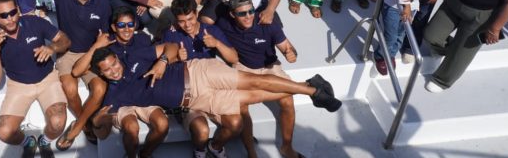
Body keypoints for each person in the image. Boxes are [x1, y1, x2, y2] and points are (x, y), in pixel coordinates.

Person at [88, 42, 342, 157]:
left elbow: (172, 47)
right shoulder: (114, 94)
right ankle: (311, 85)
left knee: (252, 81)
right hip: (196, 100)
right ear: (101, 72)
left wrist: (163, 62)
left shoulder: (134, 57)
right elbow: (100, 131)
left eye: (114, 64)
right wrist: (99, 117)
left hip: (198, 72)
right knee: (252, 97)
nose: (114, 70)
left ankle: (312, 92)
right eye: (107, 69)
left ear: (118, 60)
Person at [38, 0, 112, 148]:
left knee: (99, 88)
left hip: (92, 52)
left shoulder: (103, 3)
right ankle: (87, 124)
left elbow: (104, 37)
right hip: (68, 53)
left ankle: (78, 125)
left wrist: (95, 53)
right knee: (70, 89)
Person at [67, 7, 164, 157]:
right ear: (113, 27)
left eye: (130, 25)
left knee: (162, 124)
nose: (126, 29)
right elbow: (76, 71)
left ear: (135, 25)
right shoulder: (107, 45)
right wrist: (97, 45)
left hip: (142, 93)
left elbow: (162, 52)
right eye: (121, 25)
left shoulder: (143, 39)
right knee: (132, 128)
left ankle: (145, 154)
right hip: (120, 99)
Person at [0, 0, 71, 157]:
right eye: (3, 15)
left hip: (47, 79)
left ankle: (44, 141)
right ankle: (28, 142)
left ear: (18, 10)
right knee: (4, 131)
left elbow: (65, 40)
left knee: (58, 122)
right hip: (19, 85)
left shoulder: (34, 22)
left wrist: (51, 48)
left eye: (13, 12)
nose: (10, 19)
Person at [218, 0, 302, 158]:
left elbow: (288, 48)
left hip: (270, 66)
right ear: (232, 14)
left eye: (251, 11)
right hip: (244, 67)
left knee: (288, 100)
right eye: (242, 13)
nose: (248, 16)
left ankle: (287, 147)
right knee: (241, 107)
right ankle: (251, 152)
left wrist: (290, 54)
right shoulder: (224, 25)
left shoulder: (268, 22)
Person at [162, 0, 240, 157]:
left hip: (213, 88)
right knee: (202, 131)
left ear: (196, 13)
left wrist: (217, 44)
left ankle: (216, 147)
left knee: (236, 124)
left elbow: (234, 58)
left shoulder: (211, 30)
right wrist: (176, 59)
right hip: (191, 94)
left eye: (190, 18)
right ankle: (199, 151)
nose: (187, 25)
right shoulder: (170, 35)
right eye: (181, 21)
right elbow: (162, 69)